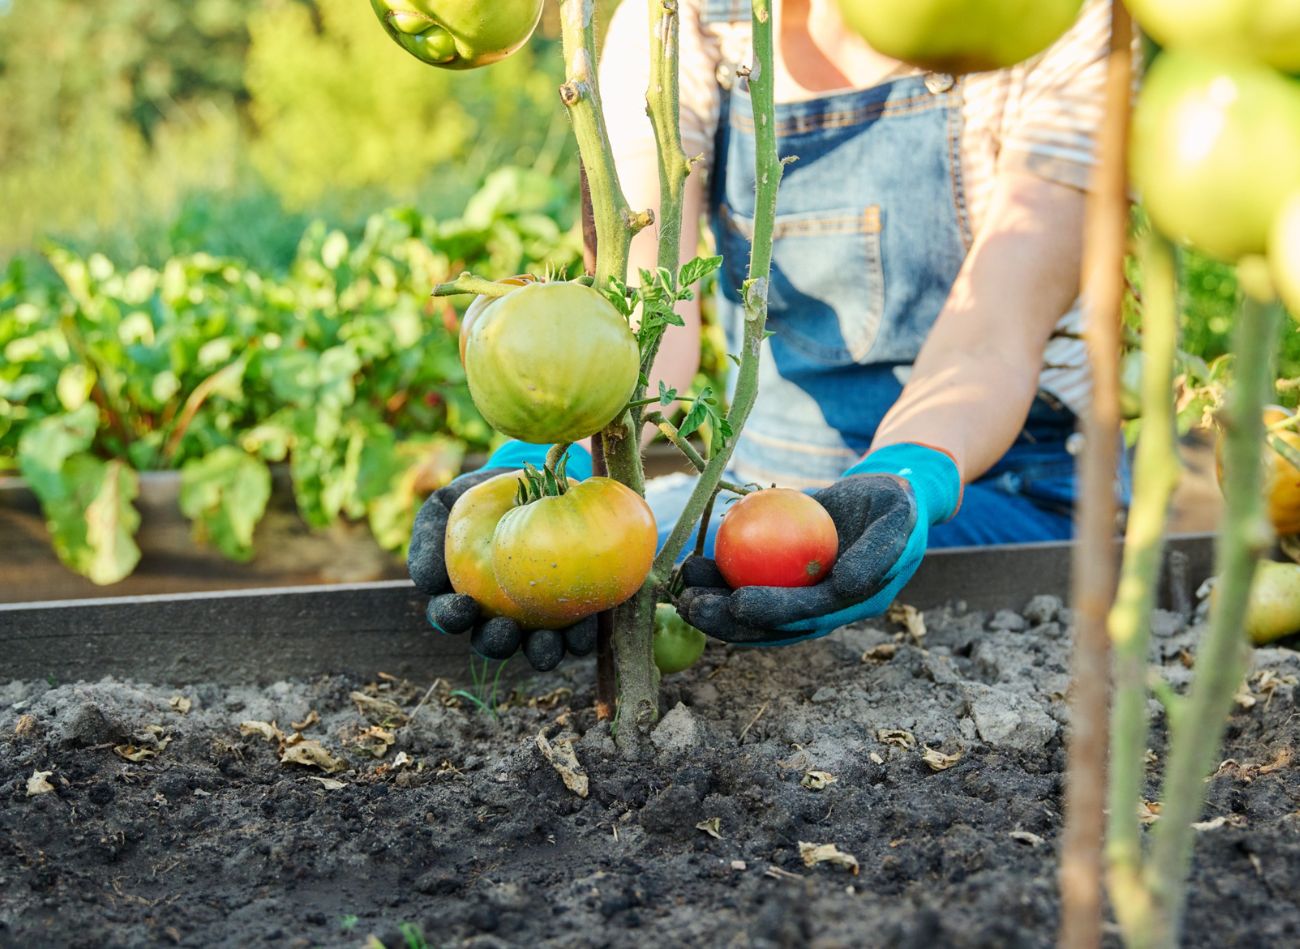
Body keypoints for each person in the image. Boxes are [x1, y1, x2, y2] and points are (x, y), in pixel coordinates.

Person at [409, 0, 1125, 665]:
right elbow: (649, 325)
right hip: (766, 496)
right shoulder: (679, 17)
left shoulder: (1053, 20)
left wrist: (911, 476)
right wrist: (544, 461)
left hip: (1009, 484)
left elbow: (992, 338)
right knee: (619, 562)